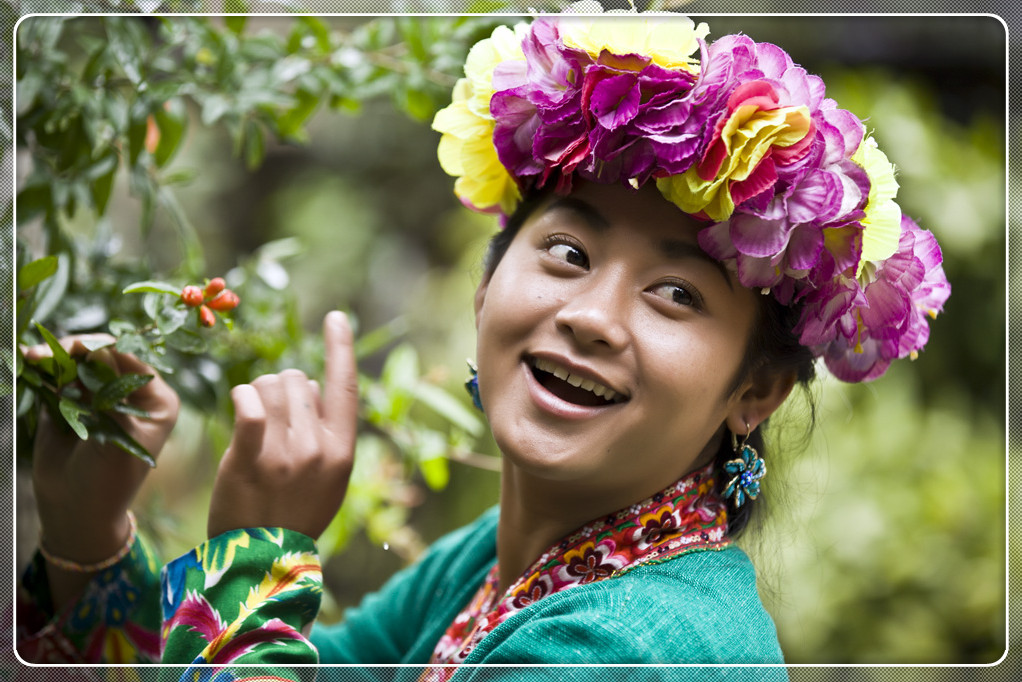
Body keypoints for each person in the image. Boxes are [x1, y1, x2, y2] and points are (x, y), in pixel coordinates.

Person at [16, 10, 950, 679]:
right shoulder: (499, 566)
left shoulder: (633, 648)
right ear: (486, 287)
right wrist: (90, 532)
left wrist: (260, 554)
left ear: (758, 391)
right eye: (568, 251)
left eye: (674, 294)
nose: (591, 316)